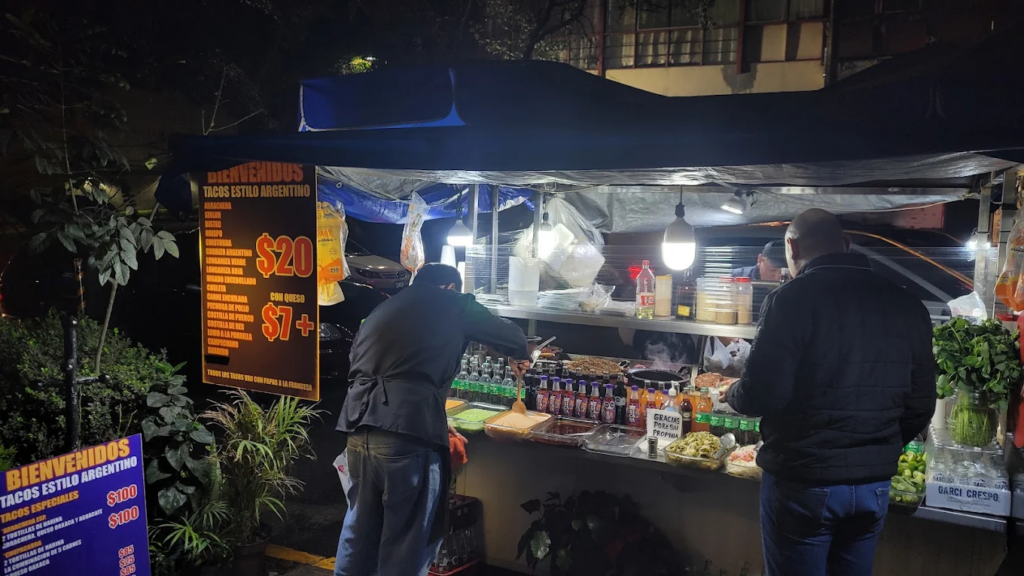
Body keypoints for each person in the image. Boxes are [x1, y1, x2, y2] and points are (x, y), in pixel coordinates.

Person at [721, 209, 935, 576]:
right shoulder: (908, 304)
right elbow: (921, 404)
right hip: (873, 488)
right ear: (847, 245)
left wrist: (734, 393)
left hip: (804, 483)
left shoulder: (790, 299)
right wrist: (875, 447)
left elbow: (763, 394)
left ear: (791, 246)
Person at [334, 263, 530, 576]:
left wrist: (436, 415)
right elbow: (513, 337)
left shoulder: (384, 307)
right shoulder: (454, 303)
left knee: (360, 531)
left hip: (358, 428)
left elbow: (365, 364)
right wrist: (515, 353)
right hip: (406, 434)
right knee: (408, 538)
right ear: (451, 287)